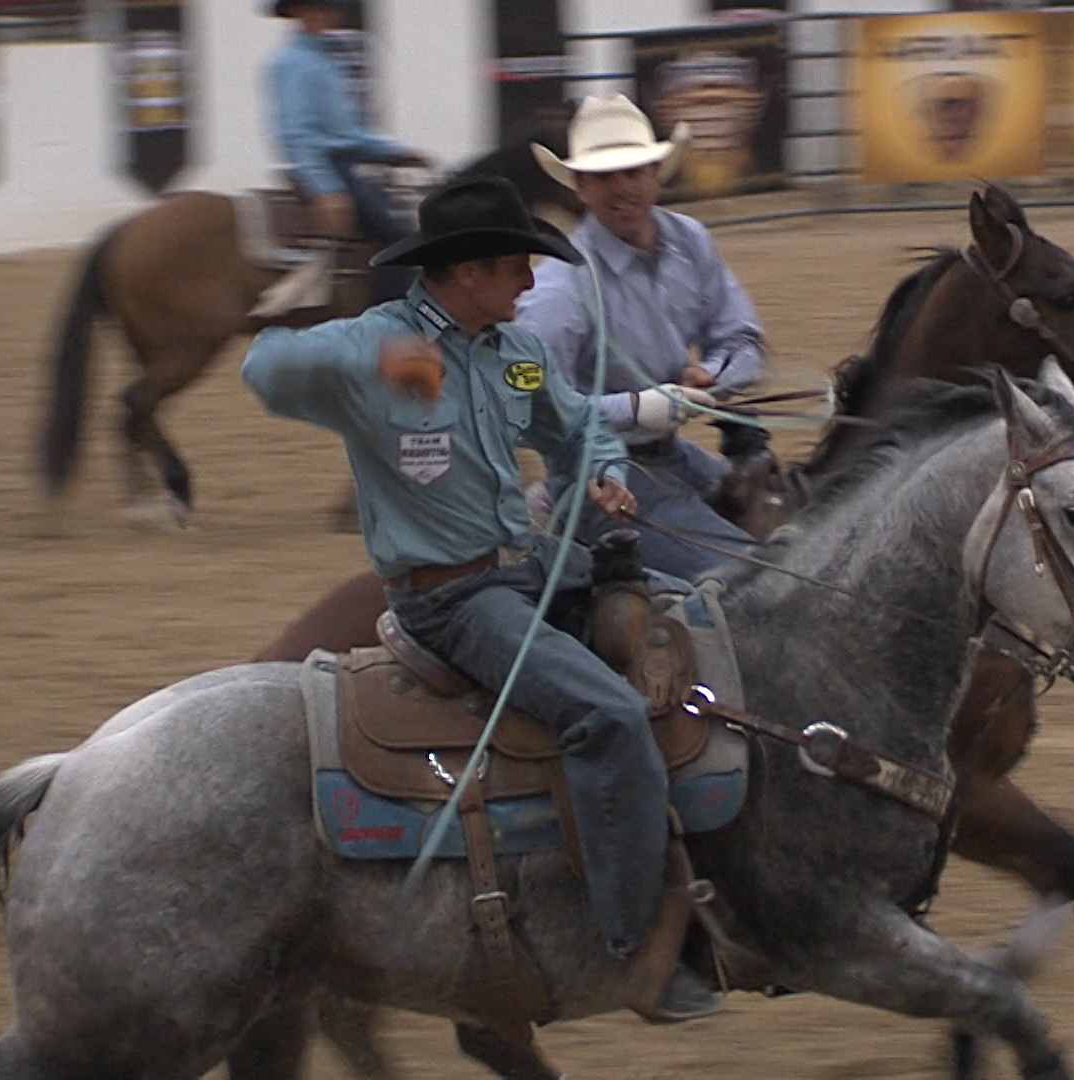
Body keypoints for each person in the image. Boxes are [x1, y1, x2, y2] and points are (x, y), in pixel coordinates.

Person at [240, 174, 720, 1023]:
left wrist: (603, 473)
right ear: (466, 273)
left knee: (695, 611)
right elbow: (264, 365)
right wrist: (371, 359)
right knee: (604, 714)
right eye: (516, 269)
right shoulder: (375, 343)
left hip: (529, 566)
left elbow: (577, 427)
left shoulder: (515, 352)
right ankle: (631, 947)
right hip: (451, 600)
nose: (532, 283)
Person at [519, 94, 767, 580]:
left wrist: (713, 376)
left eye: (633, 171)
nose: (623, 188)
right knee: (753, 574)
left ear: (656, 172)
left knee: (804, 528)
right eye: (604, 176)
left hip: (673, 457)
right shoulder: (558, 288)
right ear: (580, 188)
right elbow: (534, 407)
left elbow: (743, 339)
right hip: (595, 482)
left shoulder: (691, 241)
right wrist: (640, 408)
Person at [264, 1, 429, 251]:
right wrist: (325, 187)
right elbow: (296, 132)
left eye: (326, 9)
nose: (322, 15)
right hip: (328, 167)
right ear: (296, 14)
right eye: (314, 9)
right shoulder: (293, 63)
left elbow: (347, 132)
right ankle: (393, 291)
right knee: (398, 238)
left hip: (346, 163)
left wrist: (395, 151)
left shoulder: (326, 59)